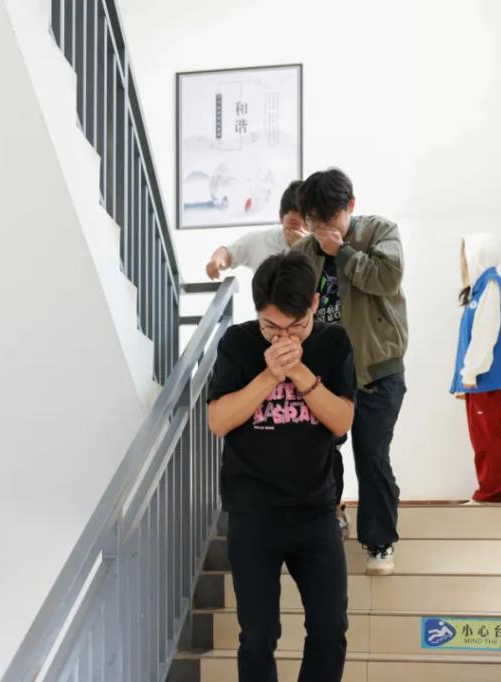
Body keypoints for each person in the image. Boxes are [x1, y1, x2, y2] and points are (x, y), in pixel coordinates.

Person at [207, 252, 356, 682]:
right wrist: (270, 375)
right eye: (271, 328)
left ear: (314, 304)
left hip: (316, 510)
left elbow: (342, 420)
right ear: (258, 314)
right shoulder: (238, 343)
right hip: (253, 513)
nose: (283, 338)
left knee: (330, 629)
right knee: (257, 636)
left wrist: (301, 373)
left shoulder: (333, 342)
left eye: (296, 327)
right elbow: (218, 420)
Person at [292, 168, 408, 576]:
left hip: (378, 369)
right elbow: (287, 302)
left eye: (330, 218)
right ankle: (331, 515)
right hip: (324, 376)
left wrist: (342, 253)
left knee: (371, 455)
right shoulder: (302, 252)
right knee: (320, 452)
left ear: (351, 207)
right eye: (313, 220)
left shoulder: (379, 232)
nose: (321, 229)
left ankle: (379, 542)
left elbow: (387, 278)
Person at [451, 233, 501, 504]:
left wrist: (471, 371)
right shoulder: (481, 289)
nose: (462, 263)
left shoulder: (491, 284)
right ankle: (489, 491)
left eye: (464, 256)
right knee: (481, 438)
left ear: (476, 255)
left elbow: (486, 332)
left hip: (485, 379)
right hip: (480, 380)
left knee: (488, 438)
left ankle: (491, 493)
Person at [205, 181, 308, 280]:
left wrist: (304, 247)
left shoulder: (316, 248)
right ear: (281, 217)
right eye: (294, 223)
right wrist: (217, 261)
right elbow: (228, 253)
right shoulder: (261, 240)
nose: (301, 229)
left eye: (307, 223)